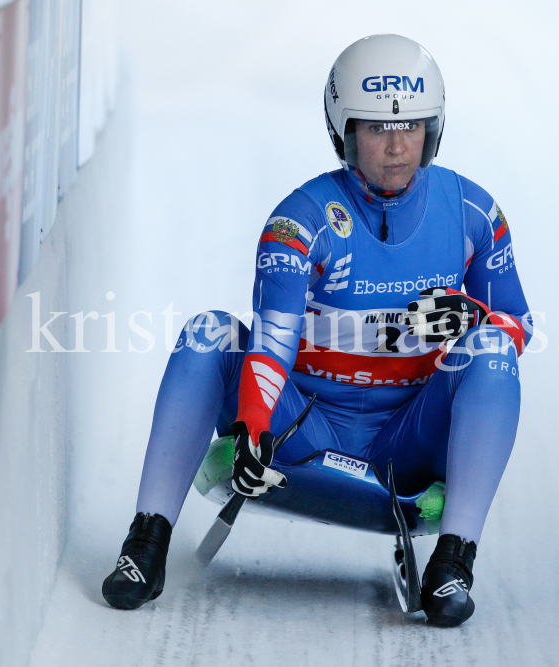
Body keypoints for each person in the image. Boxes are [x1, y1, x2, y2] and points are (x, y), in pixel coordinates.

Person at [102, 34, 532, 628]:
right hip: (301, 428)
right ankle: (144, 545)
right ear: (343, 131)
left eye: (411, 127)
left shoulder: (475, 213)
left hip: (405, 441)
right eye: (376, 129)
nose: (397, 147)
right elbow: (273, 335)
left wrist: (477, 321)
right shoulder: (299, 221)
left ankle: (454, 561)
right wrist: (254, 422)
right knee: (207, 333)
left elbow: (517, 324)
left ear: (434, 129)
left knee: (490, 352)